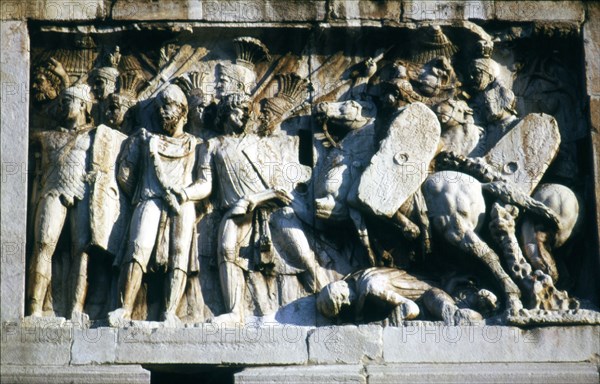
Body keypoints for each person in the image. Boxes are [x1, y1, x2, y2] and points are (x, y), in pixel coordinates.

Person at [108, 84, 205, 326]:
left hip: (183, 203)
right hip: (149, 197)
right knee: (138, 245)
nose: (162, 111)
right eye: (160, 106)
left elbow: (206, 183)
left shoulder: (196, 144)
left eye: (168, 106)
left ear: (183, 111)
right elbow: (125, 175)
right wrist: (143, 192)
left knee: (179, 253)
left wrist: (183, 195)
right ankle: (124, 309)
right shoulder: (146, 140)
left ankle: (170, 312)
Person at [27, 84, 95, 321]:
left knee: (82, 250)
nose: (63, 105)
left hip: (82, 193)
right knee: (43, 245)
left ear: (84, 105)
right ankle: (34, 310)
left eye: (69, 101)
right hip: (53, 190)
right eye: (62, 101)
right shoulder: (48, 136)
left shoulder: (97, 135)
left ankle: (76, 310)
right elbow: (22, 129)